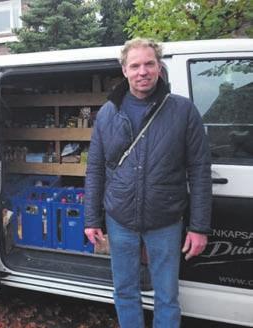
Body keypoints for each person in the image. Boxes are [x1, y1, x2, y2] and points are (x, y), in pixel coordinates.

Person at [84, 38, 212, 328]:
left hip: (165, 221)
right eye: (135, 65)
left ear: (159, 67)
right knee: (125, 292)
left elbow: (200, 170)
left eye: (149, 64)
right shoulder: (107, 113)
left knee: (167, 296)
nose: (143, 71)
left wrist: (199, 227)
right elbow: (95, 169)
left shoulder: (183, 111)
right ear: (124, 70)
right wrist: (92, 218)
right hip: (120, 220)